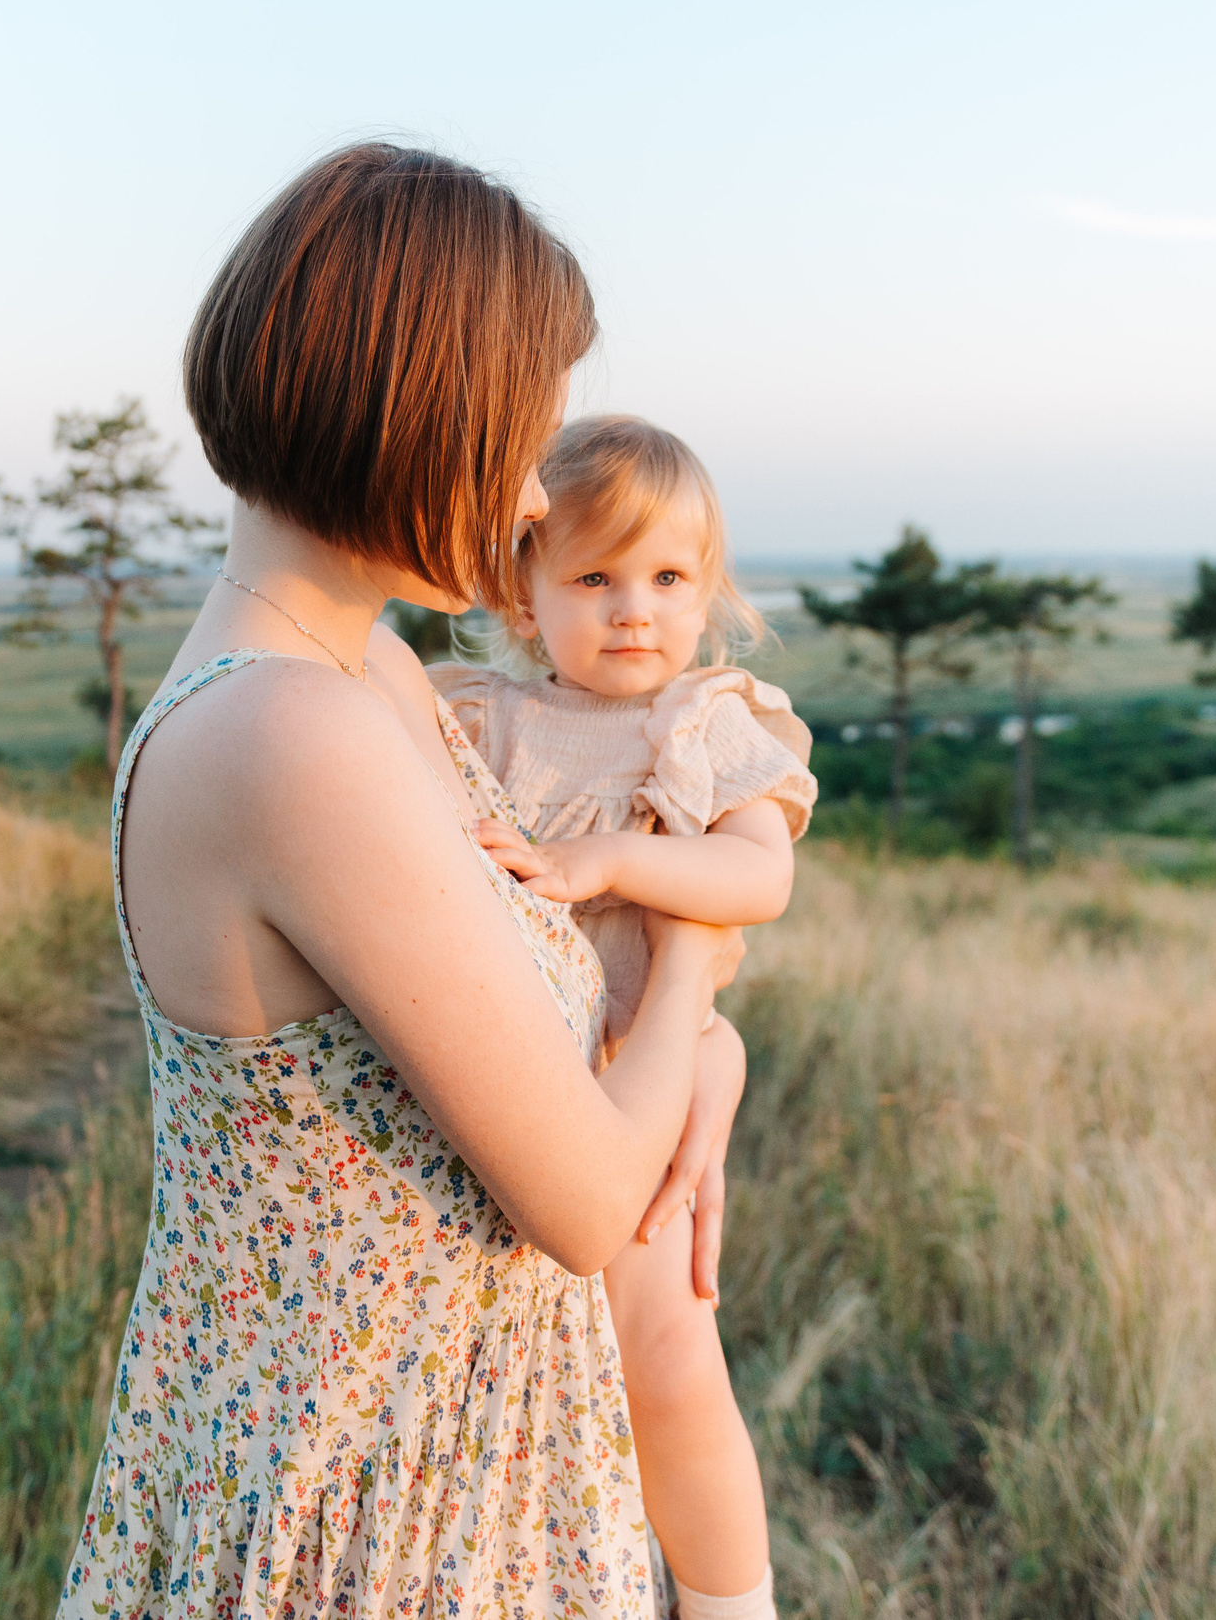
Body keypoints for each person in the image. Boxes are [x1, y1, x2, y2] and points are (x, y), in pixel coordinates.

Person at [57, 143, 748, 1620]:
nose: (521, 496)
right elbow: (584, 1197)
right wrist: (693, 954)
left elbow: (536, 1014)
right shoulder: (287, 730)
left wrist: (709, 1059)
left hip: (452, 1468)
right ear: (409, 418)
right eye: (515, 439)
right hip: (374, 1511)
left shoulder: (360, 666)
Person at [434, 414, 818, 1620]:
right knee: (523, 1371)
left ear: (706, 592)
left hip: (635, 1073)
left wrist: (610, 860)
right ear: (521, 593)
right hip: (499, 1080)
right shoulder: (480, 718)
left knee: (665, 1359)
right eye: (592, 577)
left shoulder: (703, 725)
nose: (631, 608)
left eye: (665, 577)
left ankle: (725, 1599)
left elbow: (758, 880)